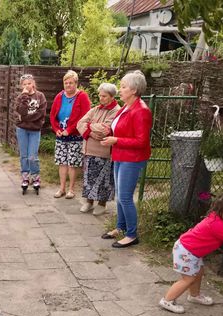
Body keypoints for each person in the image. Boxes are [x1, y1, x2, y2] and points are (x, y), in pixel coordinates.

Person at [159, 192, 223, 313]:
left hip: (191, 251)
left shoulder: (221, 218)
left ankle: (194, 295)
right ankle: (167, 300)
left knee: (198, 272)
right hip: (186, 251)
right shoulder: (218, 225)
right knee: (188, 279)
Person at [101, 70, 152, 248]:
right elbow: (118, 127)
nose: (120, 89)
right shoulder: (126, 107)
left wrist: (116, 140)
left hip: (132, 158)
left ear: (134, 90)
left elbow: (141, 141)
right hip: (120, 155)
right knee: (120, 196)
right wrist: (107, 131)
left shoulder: (141, 111)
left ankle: (131, 234)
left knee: (125, 197)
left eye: (123, 86)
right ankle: (120, 227)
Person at [77, 83, 120, 216]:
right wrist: (91, 130)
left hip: (104, 153)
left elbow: (105, 130)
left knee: (104, 180)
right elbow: (80, 124)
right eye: (100, 95)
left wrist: (89, 127)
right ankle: (89, 202)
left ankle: (102, 204)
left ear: (112, 97)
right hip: (89, 151)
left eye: (104, 96)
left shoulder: (116, 111)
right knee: (88, 178)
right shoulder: (95, 109)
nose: (101, 98)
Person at [50, 70, 91, 199]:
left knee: (73, 163)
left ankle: (71, 189)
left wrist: (71, 129)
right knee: (62, 162)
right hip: (61, 135)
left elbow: (85, 116)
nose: (68, 85)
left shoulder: (82, 96)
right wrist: (56, 128)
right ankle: (61, 188)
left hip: (75, 136)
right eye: (66, 83)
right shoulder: (59, 96)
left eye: (71, 83)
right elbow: (52, 115)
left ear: (76, 83)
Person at [15, 73, 47, 193]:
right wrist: (24, 96)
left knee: (32, 156)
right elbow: (21, 111)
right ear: (21, 86)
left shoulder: (40, 96)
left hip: (35, 130)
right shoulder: (20, 97)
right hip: (22, 129)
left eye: (29, 83)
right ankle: (25, 177)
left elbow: (41, 113)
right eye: (24, 84)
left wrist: (25, 118)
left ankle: (35, 176)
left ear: (33, 83)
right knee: (24, 155)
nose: (27, 86)